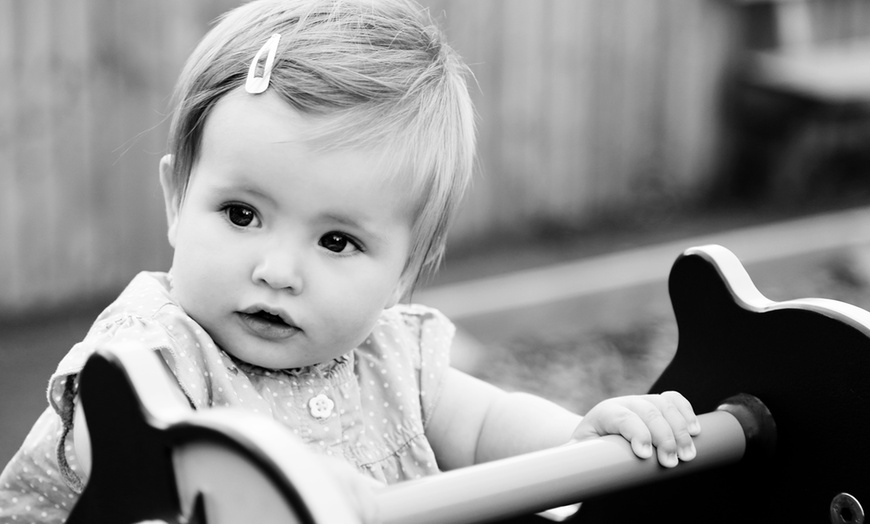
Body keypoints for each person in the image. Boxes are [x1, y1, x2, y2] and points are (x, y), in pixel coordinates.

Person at [0, 0, 701, 521]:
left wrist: (578, 440)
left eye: (337, 242)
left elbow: (488, 426)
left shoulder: (393, 354)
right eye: (241, 215)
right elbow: (126, 446)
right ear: (176, 200)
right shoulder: (152, 349)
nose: (277, 269)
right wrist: (306, 486)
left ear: (405, 271)